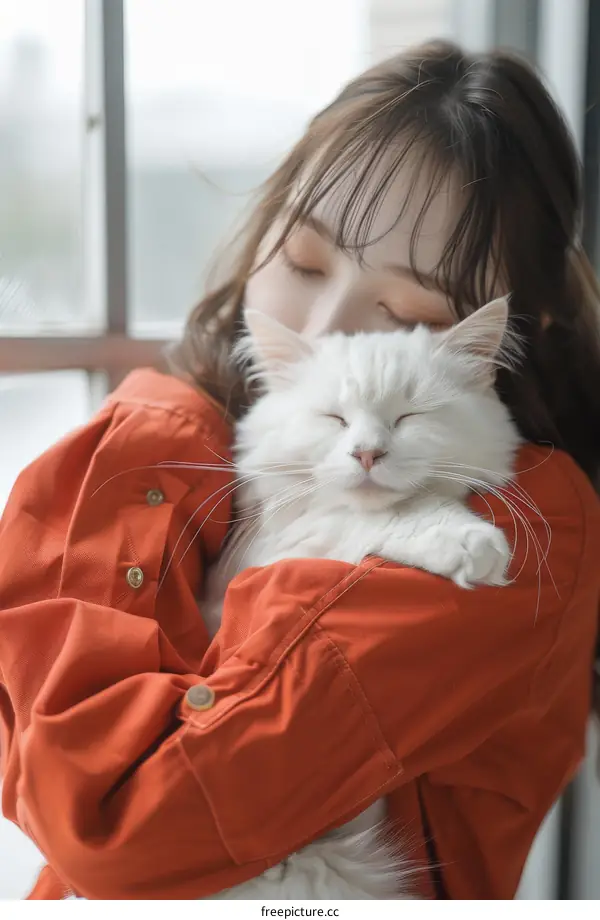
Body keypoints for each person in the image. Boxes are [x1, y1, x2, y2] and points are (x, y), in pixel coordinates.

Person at [1, 40, 600, 901]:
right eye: (304, 264)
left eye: (407, 312)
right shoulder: (191, 442)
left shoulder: (527, 520)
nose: (327, 330)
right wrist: (158, 431)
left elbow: (115, 820)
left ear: (504, 335)